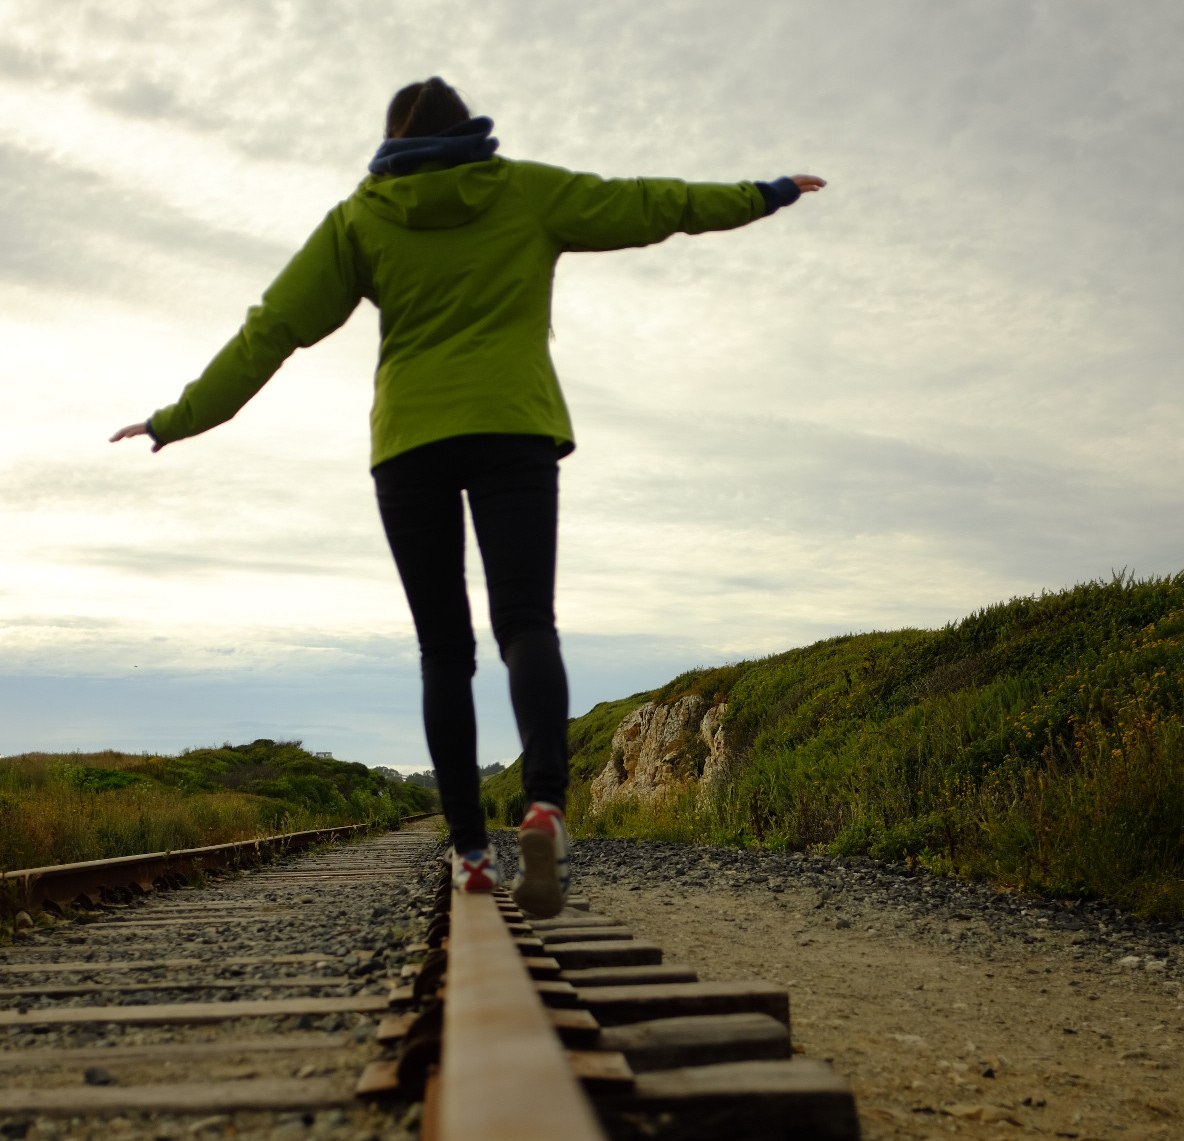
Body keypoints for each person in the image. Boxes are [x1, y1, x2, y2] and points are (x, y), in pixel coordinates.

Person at [112, 76, 825, 917]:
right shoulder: (522, 189)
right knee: (526, 623)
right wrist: (764, 194)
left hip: (410, 442)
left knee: (444, 652)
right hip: (514, 427)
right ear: (472, 132)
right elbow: (650, 204)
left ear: (391, 142)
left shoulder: (363, 217)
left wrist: (177, 419)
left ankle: (471, 854)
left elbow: (273, 330)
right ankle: (547, 808)